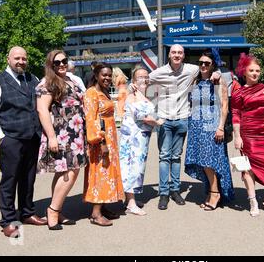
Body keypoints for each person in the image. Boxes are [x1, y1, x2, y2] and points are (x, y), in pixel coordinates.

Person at [0, 46, 47, 238]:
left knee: (28, 179)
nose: (21, 61)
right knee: (10, 181)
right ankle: (8, 220)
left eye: (24, 58)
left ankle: (27, 213)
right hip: (10, 139)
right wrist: (1, 137)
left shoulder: (33, 79)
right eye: (17, 58)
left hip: (32, 138)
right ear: (8, 59)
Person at [147, 44, 221, 210]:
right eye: (174, 52)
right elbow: (144, 82)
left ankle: (175, 190)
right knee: (164, 156)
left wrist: (216, 73)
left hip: (182, 119)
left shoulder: (192, 69)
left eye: (180, 52)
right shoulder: (159, 72)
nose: (177, 55)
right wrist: (153, 109)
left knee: (176, 156)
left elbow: (209, 68)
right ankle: (164, 193)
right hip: (164, 120)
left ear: (184, 55)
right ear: (169, 55)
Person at [36, 50, 87, 230]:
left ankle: (57, 210)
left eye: (64, 60)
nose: (61, 64)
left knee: (64, 172)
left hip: (76, 133)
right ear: (51, 65)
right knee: (70, 173)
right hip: (62, 134)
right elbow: (42, 110)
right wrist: (51, 137)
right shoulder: (48, 83)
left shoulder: (70, 80)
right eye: (57, 63)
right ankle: (52, 210)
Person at [185, 51, 235, 210]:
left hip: (212, 127)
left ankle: (215, 193)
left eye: (207, 63)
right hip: (196, 127)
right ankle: (212, 191)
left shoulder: (219, 81)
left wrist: (220, 127)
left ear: (213, 65)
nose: (203, 66)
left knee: (210, 162)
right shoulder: (196, 81)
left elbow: (224, 107)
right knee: (203, 162)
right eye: (201, 63)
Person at [231, 53, 264, 217]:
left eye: (257, 71)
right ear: (244, 72)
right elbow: (236, 114)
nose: (255, 73)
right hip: (248, 135)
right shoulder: (239, 92)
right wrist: (237, 136)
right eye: (251, 70)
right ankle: (253, 202)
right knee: (248, 169)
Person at [84, 64, 124, 226]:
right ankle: (96, 213)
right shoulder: (91, 93)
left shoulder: (104, 92)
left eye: (109, 75)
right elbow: (92, 120)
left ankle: (104, 206)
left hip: (110, 137)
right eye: (104, 75)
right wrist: (101, 142)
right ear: (96, 75)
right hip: (100, 140)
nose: (107, 78)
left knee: (108, 172)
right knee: (101, 173)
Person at [119, 67, 163, 216]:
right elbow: (142, 117)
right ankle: (131, 204)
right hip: (133, 139)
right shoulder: (132, 95)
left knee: (136, 168)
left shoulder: (144, 95)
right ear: (134, 80)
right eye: (139, 77)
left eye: (145, 77)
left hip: (142, 139)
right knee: (133, 168)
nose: (143, 79)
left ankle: (129, 198)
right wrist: (158, 122)